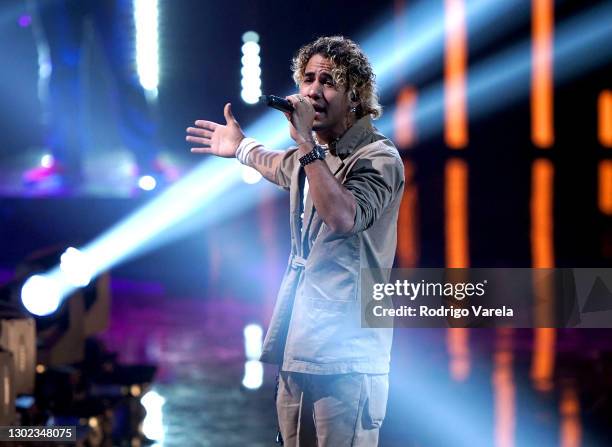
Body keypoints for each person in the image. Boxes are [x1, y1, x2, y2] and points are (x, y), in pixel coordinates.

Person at [187, 36, 404, 446]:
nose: (312, 92)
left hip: (348, 359)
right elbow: (277, 164)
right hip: (299, 345)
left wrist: (305, 143)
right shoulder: (314, 159)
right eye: (307, 79)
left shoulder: (378, 158)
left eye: (328, 81)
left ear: (355, 96)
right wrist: (240, 148)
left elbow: (342, 216)